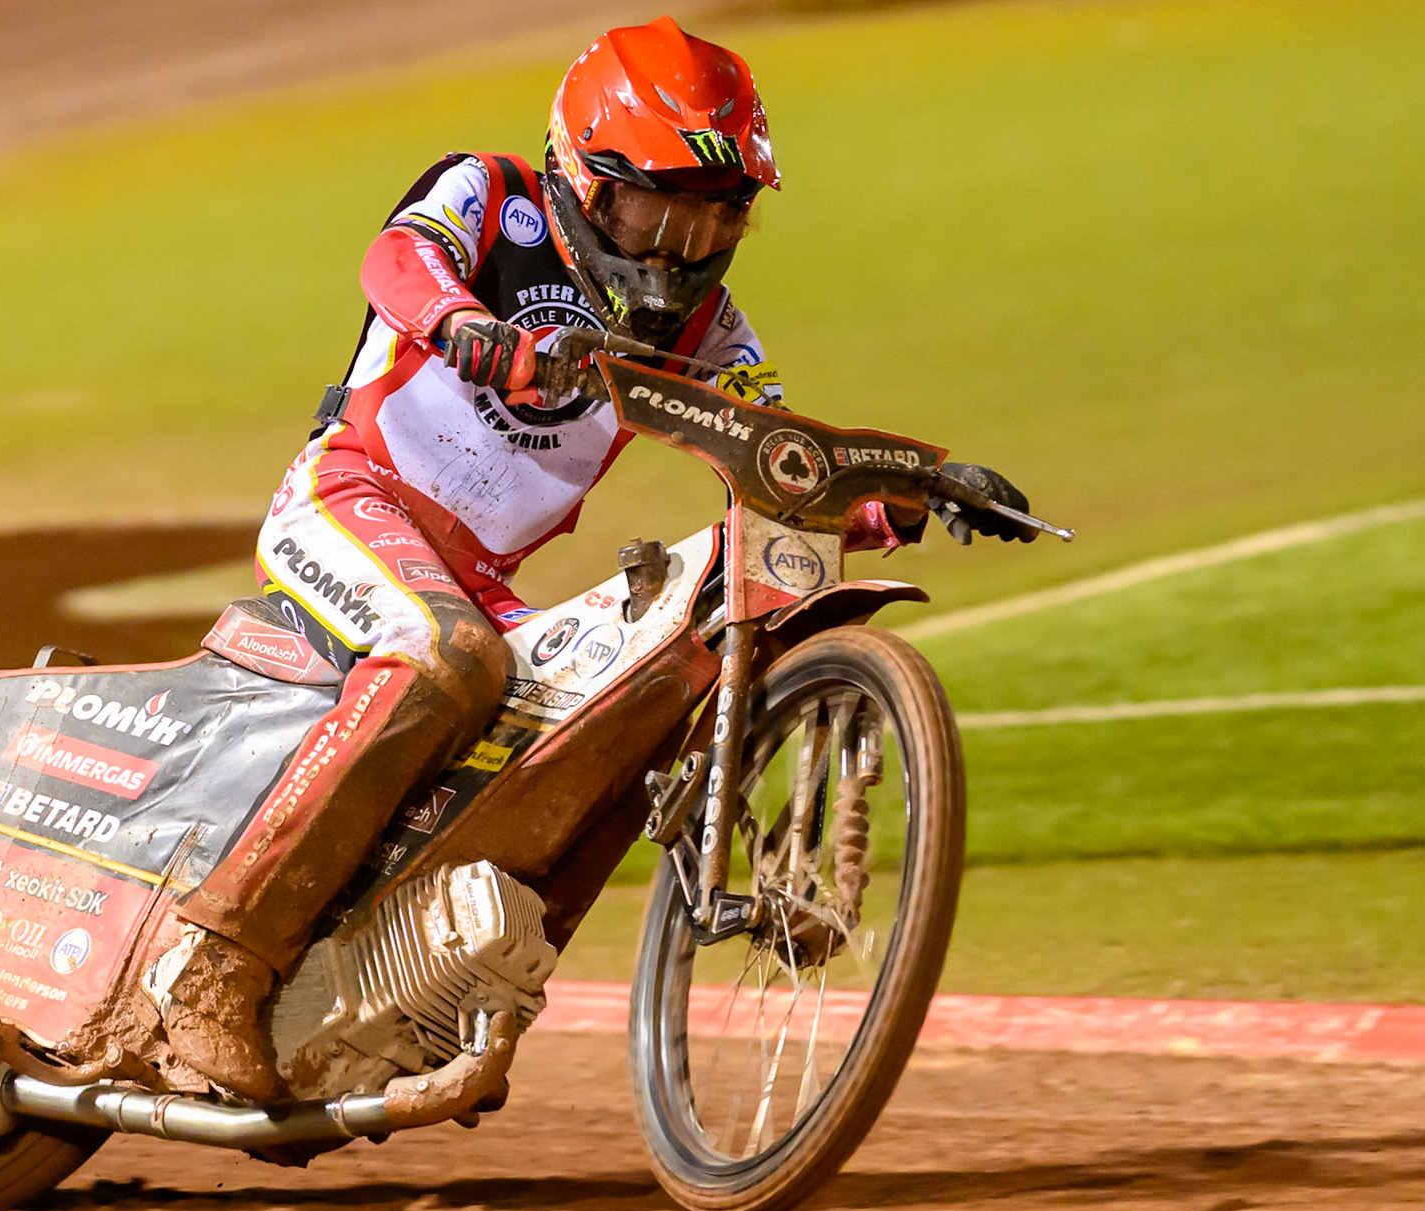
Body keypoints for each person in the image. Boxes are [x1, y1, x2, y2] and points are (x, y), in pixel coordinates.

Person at [149, 16, 1033, 1099]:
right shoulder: (490, 191)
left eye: (713, 223)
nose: (679, 252)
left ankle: (441, 992)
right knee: (446, 657)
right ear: (585, 174)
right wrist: (464, 323)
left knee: (607, 724)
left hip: (480, 581)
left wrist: (906, 497)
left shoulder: (712, 333)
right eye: (658, 210)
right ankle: (216, 964)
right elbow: (397, 255)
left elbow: (772, 463)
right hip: (347, 500)